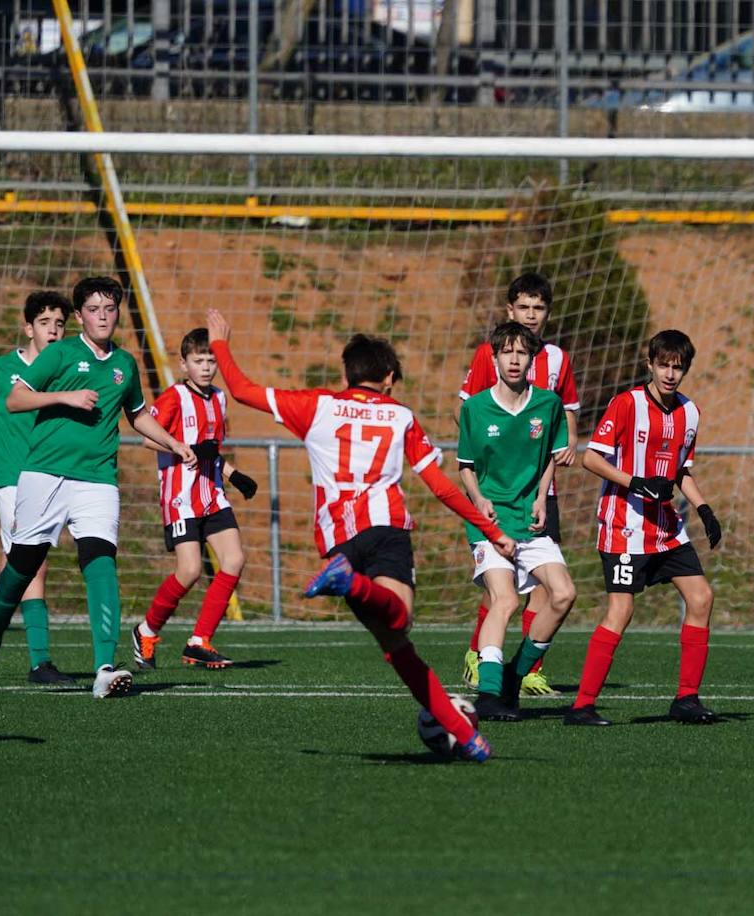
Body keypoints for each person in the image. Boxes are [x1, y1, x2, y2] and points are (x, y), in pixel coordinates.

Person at [205, 309, 514, 762]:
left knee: (396, 644)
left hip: (338, 541)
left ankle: (465, 736)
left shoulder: (316, 406)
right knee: (401, 625)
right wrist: (493, 530)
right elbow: (443, 487)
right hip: (386, 527)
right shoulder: (401, 416)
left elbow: (241, 390)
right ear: (389, 377)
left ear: (347, 373)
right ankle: (351, 585)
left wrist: (220, 342)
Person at [0, 277, 197, 699]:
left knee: (101, 562)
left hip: (98, 479)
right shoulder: (61, 353)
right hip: (45, 475)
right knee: (21, 568)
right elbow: (15, 400)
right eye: (93, 309)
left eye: (109, 309)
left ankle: (105, 667)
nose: (102, 316)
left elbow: (138, 415)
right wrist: (65, 397)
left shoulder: (124, 363)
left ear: (118, 312)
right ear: (81, 316)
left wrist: (174, 443)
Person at [566, 329, 723, 727]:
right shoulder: (626, 404)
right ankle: (582, 706)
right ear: (649, 364)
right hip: (623, 525)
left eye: (678, 367)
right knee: (621, 609)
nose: (670, 374)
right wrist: (636, 482)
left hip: (666, 527)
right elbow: (591, 459)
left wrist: (705, 510)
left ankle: (686, 699)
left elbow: (681, 471)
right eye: (664, 365)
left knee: (701, 597)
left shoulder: (690, 412)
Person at [458, 272, 580, 698]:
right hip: (497, 491)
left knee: (552, 590)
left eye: (538, 308)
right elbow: (468, 417)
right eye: (523, 307)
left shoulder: (557, 363)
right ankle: (483, 661)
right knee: (503, 590)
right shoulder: (486, 359)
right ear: (510, 310)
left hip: (539, 493)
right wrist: (493, 461)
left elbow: (566, 416)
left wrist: (565, 448)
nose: (531, 316)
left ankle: (525, 670)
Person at [0, 292, 75, 685]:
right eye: (45, 324)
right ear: (28, 328)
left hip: (50, 480)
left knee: (16, 571)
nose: (54, 331)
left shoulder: (65, 372)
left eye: (59, 324)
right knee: (35, 561)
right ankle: (40, 662)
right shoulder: (1, 368)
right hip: (10, 480)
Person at [131, 328, 258, 671]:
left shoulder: (219, 398)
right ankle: (146, 630)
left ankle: (199, 640)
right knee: (188, 571)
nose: (205, 367)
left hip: (212, 493)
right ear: (183, 364)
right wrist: (177, 447)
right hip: (181, 497)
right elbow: (145, 438)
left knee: (233, 560)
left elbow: (210, 449)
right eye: (198, 361)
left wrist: (233, 475)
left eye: (210, 360)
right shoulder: (174, 398)